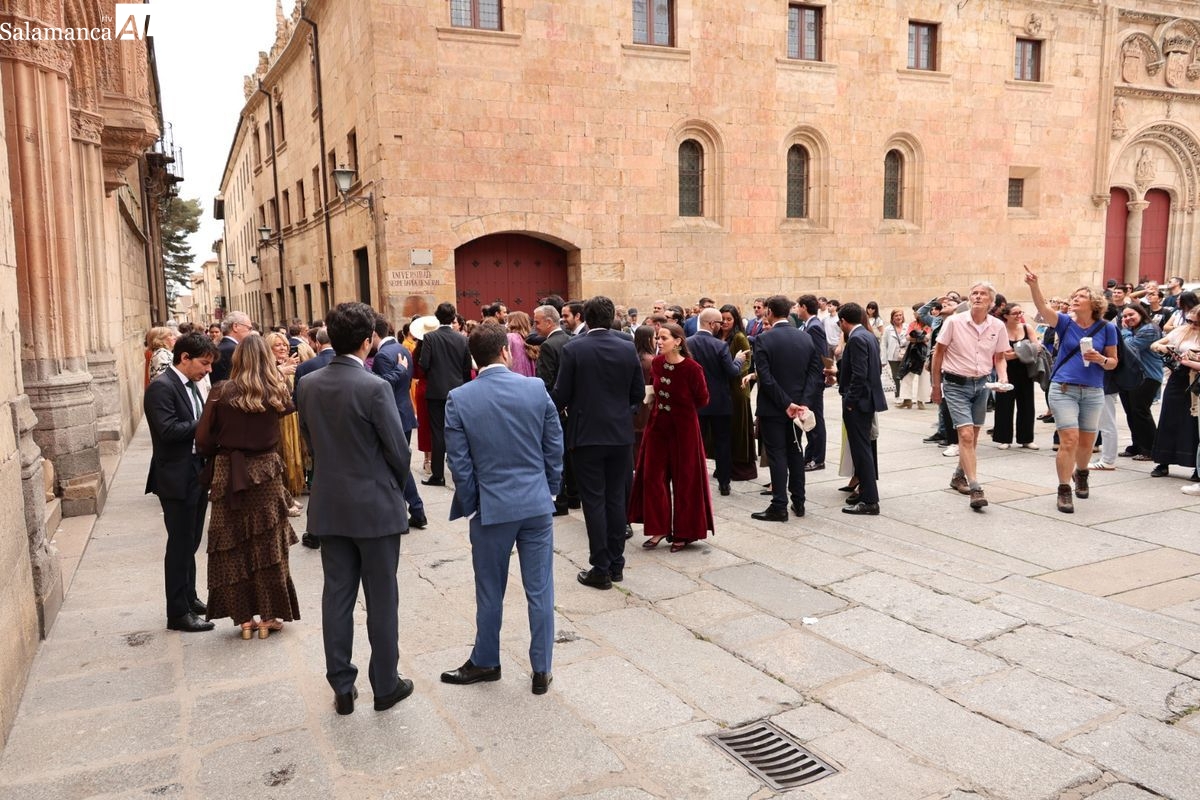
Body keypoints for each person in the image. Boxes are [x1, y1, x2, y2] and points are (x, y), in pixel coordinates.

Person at [297, 302, 415, 715]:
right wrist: (390, 486)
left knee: (337, 596)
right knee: (381, 599)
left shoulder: (307, 383)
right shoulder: (373, 387)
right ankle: (385, 684)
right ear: (367, 341)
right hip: (374, 505)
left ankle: (342, 686)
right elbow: (399, 451)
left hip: (330, 503)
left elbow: (310, 440)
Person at [440, 325, 563, 695]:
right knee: (540, 589)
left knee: (490, 589)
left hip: (492, 506)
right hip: (535, 503)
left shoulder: (460, 398)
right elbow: (553, 445)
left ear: (473, 359)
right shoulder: (535, 388)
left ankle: (487, 660)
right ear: (506, 352)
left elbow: (459, 463)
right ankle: (541, 668)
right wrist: (550, 490)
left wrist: (473, 505)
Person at [196, 335, 301, 640]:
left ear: (237, 358)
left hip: (227, 471)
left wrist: (221, 448)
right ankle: (268, 616)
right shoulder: (276, 390)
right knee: (268, 545)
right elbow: (287, 412)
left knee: (231, 545)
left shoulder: (220, 391)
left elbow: (202, 439)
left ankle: (244, 619)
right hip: (265, 472)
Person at [552, 296, 644, 590]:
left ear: (586, 319)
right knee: (616, 498)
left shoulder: (574, 349)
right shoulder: (626, 347)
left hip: (586, 434)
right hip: (619, 434)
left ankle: (601, 567)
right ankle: (616, 564)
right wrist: (622, 413)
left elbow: (561, 394)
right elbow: (637, 393)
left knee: (594, 501)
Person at [144, 332, 221, 633]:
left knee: (191, 541)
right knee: (179, 545)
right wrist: (207, 423)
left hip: (195, 471)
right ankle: (177, 613)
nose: (208, 370)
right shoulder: (161, 388)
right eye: (204, 363)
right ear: (184, 358)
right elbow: (167, 430)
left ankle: (189, 596)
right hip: (176, 476)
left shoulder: (192, 384)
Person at [1025, 270, 1120, 513]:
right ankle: (1064, 489)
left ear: (1094, 303)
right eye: (1074, 296)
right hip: (1063, 389)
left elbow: (1113, 362)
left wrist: (1100, 359)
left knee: (1087, 442)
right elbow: (1042, 308)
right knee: (1069, 440)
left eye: (1081, 296)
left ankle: (1082, 472)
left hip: (1093, 391)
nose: (1075, 299)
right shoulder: (1065, 322)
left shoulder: (1107, 328)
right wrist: (1034, 285)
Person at [930, 282, 1012, 511]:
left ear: (991, 302)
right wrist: (936, 386)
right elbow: (938, 354)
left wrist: (1002, 378)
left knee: (973, 438)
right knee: (965, 435)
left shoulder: (997, 325)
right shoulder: (954, 322)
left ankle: (958, 476)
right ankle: (975, 488)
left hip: (982, 385)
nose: (977, 297)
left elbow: (1000, 357)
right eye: (974, 293)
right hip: (956, 384)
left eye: (983, 294)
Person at [630, 323, 713, 550]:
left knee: (686, 481)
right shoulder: (657, 363)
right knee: (652, 478)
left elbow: (703, 399)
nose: (659, 341)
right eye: (658, 337)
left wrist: (681, 408)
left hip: (685, 431)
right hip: (657, 429)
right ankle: (659, 528)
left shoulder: (693, 368)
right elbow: (654, 390)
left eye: (663, 338)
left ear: (678, 341)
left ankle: (685, 532)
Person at [749, 295, 824, 522]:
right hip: (797, 407)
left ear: (770, 312)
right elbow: (814, 373)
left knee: (777, 455)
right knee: (795, 451)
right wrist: (802, 402)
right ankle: (799, 501)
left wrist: (786, 403)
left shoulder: (764, 339)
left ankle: (779, 504)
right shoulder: (805, 338)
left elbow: (765, 377)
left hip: (774, 408)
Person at [371, 314, 427, 530]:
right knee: (399, 464)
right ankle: (411, 511)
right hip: (403, 412)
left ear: (374, 334)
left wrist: (397, 371)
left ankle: (413, 511)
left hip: (393, 416)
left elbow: (383, 388)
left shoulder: (382, 356)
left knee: (398, 466)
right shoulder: (402, 349)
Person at [837, 303, 888, 515]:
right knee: (863, 449)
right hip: (866, 401)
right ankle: (866, 493)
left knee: (862, 451)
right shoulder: (868, 335)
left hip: (859, 403)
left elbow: (860, 374)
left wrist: (850, 401)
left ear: (843, 321)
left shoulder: (857, 338)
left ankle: (870, 500)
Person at [686, 308, 743, 496]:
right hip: (720, 403)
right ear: (711, 324)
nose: (721, 325)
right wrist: (738, 360)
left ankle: (693, 482)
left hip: (696, 402)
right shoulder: (720, 346)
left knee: (695, 444)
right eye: (719, 322)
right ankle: (724, 483)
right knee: (722, 443)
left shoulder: (687, 343)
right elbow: (732, 372)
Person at [418, 302, 473, 487]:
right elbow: (467, 367)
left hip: (436, 391)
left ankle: (438, 474)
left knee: (438, 432)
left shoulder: (430, 338)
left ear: (437, 317)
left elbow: (424, 364)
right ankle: (460, 471)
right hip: (457, 390)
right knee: (458, 430)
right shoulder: (462, 339)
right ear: (453, 317)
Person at [534, 304, 578, 515]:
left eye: (537, 322)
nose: (535, 326)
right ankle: (574, 497)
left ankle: (560, 501)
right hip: (573, 407)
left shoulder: (549, 346)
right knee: (570, 454)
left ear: (549, 322)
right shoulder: (571, 340)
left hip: (556, 409)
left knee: (557, 454)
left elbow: (545, 382)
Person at [1149, 304, 1200, 480]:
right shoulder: (1181, 330)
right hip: (1178, 377)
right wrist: (1163, 348)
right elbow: (1155, 344)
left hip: (1195, 380)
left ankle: (1197, 466)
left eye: (1196, 322)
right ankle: (1163, 461)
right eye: (1190, 320)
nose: (1192, 325)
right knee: (1168, 418)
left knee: (1193, 423)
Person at [264, 332, 306, 512]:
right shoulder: (267, 367)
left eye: (284, 345)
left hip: (291, 416)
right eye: (277, 345)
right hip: (277, 418)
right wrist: (281, 371)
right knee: (279, 456)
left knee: (292, 457)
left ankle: (287, 494)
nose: (282, 348)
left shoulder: (290, 364)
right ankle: (282, 498)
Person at [1117, 302, 1163, 461]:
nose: (1127, 318)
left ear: (1141, 314)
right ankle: (1137, 445)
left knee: (1140, 412)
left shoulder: (1150, 329)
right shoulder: (1132, 330)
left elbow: (1130, 346)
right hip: (1130, 376)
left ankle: (1150, 449)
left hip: (1147, 376)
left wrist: (1124, 331)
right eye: (1124, 316)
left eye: (1131, 315)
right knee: (1131, 413)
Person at [991, 303, 1040, 450]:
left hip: (1026, 371)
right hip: (1006, 371)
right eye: (1015, 313)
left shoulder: (1027, 328)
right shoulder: (1001, 329)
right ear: (1006, 315)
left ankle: (1026, 439)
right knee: (1004, 405)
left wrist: (1014, 353)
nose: (1019, 316)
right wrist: (1023, 351)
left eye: (1020, 312)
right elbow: (1001, 356)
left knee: (1027, 405)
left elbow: (1036, 348)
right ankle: (1003, 438)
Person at [717, 304, 757, 481]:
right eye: (722, 319)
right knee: (724, 428)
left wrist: (733, 368)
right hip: (722, 387)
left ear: (735, 320)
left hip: (737, 387)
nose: (725, 322)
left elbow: (747, 362)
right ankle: (725, 463)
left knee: (738, 426)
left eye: (729, 319)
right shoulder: (717, 335)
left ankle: (740, 465)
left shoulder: (739, 337)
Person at [793, 294, 829, 471]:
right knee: (809, 420)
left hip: (813, 382)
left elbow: (819, 358)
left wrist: (814, 383)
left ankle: (818, 458)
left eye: (797, 306)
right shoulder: (809, 325)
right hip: (808, 381)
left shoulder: (814, 327)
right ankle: (809, 456)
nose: (796, 310)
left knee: (815, 421)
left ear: (804, 307)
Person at [211, 311, 252, 384]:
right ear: (235, 326)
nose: (250, 332)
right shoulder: (234, 350)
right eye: (249, 328)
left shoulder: (222, 347)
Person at [882, 309, 906, 399]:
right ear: (892, 318)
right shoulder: (888, 329)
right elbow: (884, 344)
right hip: (893, 356)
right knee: (896, 376)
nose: (899, 317)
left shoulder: (907, 327)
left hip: (905, 355)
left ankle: (906, 396)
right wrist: (883, 360)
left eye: (900, 315)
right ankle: (897, 395)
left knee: (906, 376)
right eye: (896, 315)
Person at [505, 310, 537, 377]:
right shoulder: (529, 339)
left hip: (514, 376)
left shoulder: (510, 337)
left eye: (507, 321)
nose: (506, 324)